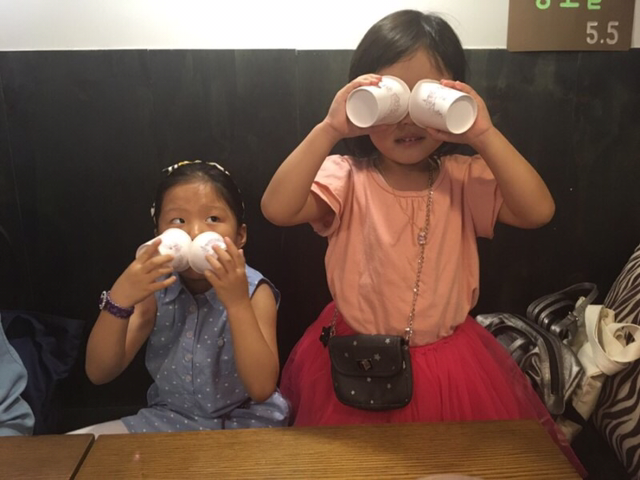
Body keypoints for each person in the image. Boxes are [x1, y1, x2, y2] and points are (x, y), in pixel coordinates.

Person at [261, 9, 584, 476]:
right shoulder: (346, 178)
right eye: (393, 98)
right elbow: (278, 208)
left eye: (426, 98)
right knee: (359, 467)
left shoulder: (462, 179)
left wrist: (483, 134)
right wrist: (329, 128)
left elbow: (539, 211)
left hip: (449, 365)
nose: (408, 120)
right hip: (357, 358)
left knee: (448, 466)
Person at [74, 161, 288, 435]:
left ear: (240, 236)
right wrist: (121, 297)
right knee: (81, 445)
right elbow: (99, 372)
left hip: (245, 423)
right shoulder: (155, 288)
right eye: (178, 221)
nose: (195, 233)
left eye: (213, 219)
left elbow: (261, 388)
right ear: (158, 236)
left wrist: (237, 304)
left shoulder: (254, 290)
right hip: (170, 420)